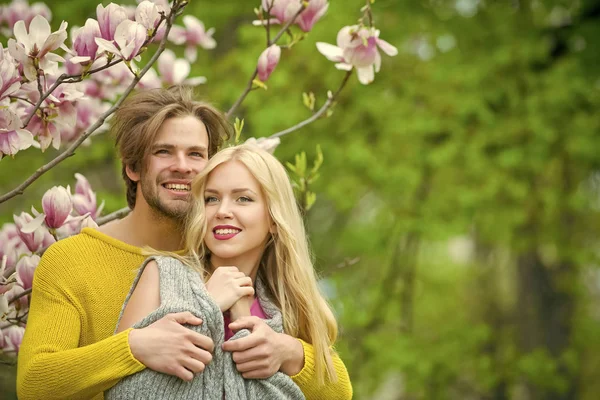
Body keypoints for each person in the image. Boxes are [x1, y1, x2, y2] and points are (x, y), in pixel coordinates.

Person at [16, 86, 352, 400]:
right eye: (164, 152)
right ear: (133, 166)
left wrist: (291, 352)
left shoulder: (226, 252)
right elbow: (35, 383)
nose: (182, 167)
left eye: (196, 154)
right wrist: (132, 347)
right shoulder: (73, 260)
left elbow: (337, 384)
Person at [104, 144, 349, 399]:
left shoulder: (284, 304)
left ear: (274, 219)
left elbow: (339, 393)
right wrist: (206, 305)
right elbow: (123, 393)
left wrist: (289, 352)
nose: (222, 212)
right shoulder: (162, 275)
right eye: (212, 199)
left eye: (243, 199)